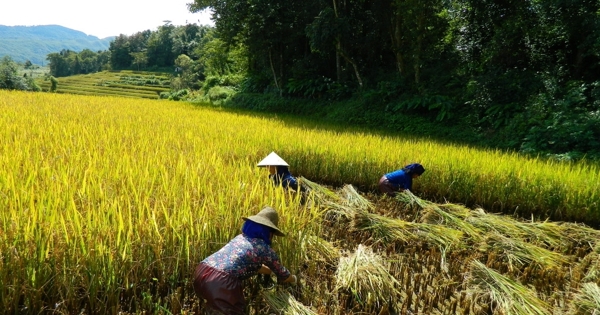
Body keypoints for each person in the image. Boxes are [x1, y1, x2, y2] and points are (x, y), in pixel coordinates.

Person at [192, 206, 298, 315]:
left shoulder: (240, 238)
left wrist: (270, 272)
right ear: (269, 232)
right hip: (221, 282)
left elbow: (250, 267)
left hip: (202, 271)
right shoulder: (265, 249)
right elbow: (284, 276)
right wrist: (294, 279)